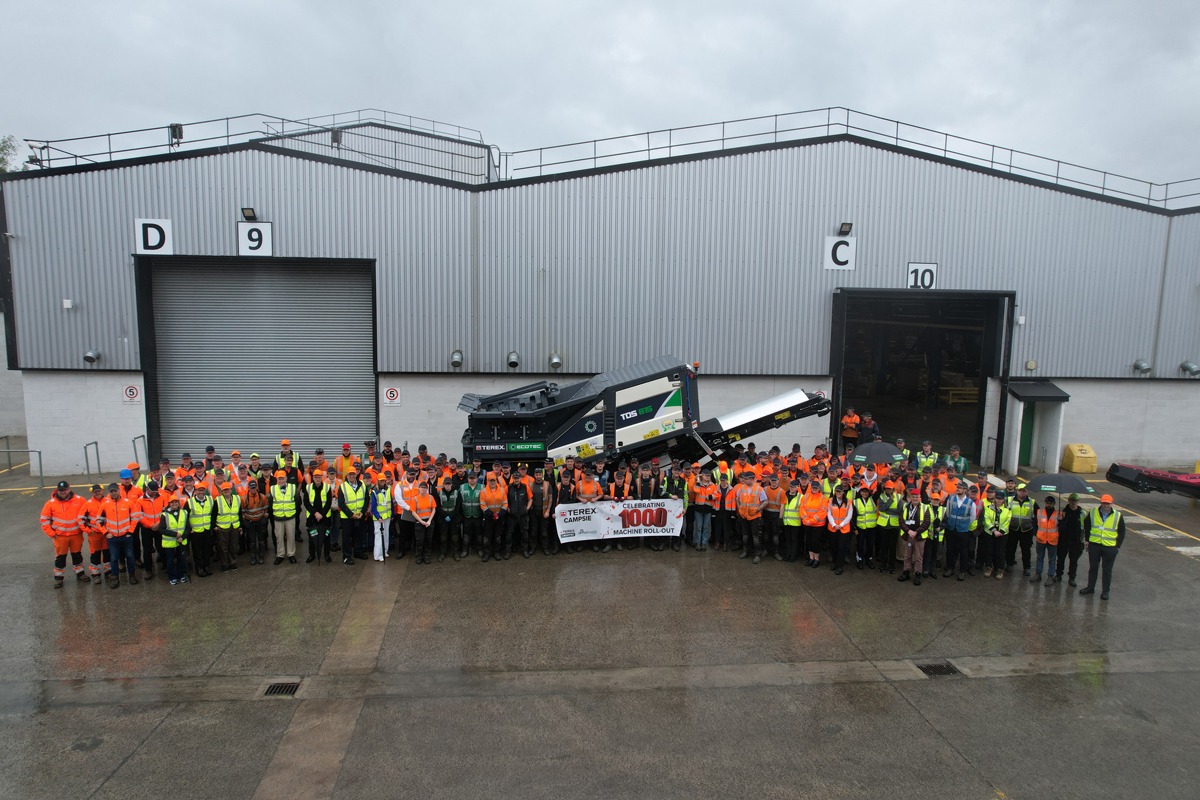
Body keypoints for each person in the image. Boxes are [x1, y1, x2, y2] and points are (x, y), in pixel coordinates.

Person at [1081, 494, 1125, 600]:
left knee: (1107, 570)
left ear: (1112, 504)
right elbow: (1086, 525)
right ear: (1100, 502)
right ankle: (1090, 587)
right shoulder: (1093, 512)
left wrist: (1117, 546)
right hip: (1094, 545)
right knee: (1093, 568)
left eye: (1108, 503)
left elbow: (1122, 531)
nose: (1106, 505)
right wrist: (1087, 539)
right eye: (1104, 503)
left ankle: (1105, 591)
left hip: (1109, 547)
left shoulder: (1117, 515)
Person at [101, 482, 140, 588]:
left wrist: (130, 531)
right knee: (113, 559)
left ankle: (132, 576)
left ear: (119, 491)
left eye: (115, 491)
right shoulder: (105, 504)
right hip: (112, 537)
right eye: (111, 491)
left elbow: (135, 517)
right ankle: (115, 579)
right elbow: (98, 520)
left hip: (126, 536)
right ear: (109, 493)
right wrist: (105, 532)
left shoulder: (128, 503)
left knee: (130, 556)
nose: (114, 493)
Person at [942, 480, 977, 580]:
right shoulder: (951, 499)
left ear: (965, 490)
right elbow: (948, 513)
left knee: (963, 551)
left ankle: (962, 571)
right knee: (950, 550)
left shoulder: (971, 503)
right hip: (951, 528)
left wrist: (963, 524)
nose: (958, 489)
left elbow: (972, 518)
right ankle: (950, 568)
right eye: (957, 487)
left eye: (960, 488)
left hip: (963, 530)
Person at [897, 487, 932, 585]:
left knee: (918, 557)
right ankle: (906, 572)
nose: (915, 499)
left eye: (917, 497)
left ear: (919, 497)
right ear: (911, 497)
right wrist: (908, 531)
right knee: (907, 555)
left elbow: (926, 523)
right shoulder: (905, 507)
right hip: (908, 536)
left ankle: (917, 574)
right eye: (913, 497)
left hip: (919, 537)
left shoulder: (925, 508)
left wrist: (916, 532)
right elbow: (901, 521)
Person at [268, 470, 299, 565]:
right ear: (277, 479)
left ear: (286, 478)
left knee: (291, 536)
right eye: (279, 479)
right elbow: (270, 503)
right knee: (279, 537)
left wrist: (294, 513)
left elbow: (297, 501)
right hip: (278, 517)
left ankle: (291, 554)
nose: (281, 480)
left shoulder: (293, 487)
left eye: (283, 478)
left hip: (290, 517)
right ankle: (280, 555)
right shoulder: (272, 488)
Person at [337, 469, 369, 564]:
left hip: (360, 515)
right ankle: (346, 556)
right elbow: (341, 503)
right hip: (347, 517)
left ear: (356, 474)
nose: (352, 476)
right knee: (347, 537)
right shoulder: (342, 486)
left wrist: (362, 512)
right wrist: (351, 515)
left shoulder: (362, 484)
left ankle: (358, 552)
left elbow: (366, 499)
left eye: (353, 474)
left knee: (359, 535)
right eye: (350, 474)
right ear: (347, 475)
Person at [735, 470, 767, 564]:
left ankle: (758, 555)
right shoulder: (742, 488)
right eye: (744, 478)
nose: (744, 480)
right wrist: (740, 508)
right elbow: (737, 498)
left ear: (752, 479)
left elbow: (765, 501)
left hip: (755, 517)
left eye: (746, 479)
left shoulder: (759, 489)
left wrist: (758, 509)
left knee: (756, 536)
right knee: (745, 535)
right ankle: (746, 551)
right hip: (744, 516)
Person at [80, 484, 110, 584]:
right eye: (95, 492)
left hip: (106, 533)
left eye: (99, 491)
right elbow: (80, 519)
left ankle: (108, 572)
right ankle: (96, 575)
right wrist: (88, 531)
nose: (97, 493)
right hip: (95, 534)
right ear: (92, 493)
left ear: (102, 491)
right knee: (95, 555)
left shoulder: (108, 501)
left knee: (107, 554)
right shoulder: (87, 504)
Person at [1006, 483, 1038, 576]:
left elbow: (1038, 515)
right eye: (1020, 490)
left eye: (1024, 490)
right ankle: (1009, 564)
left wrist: (1033, 525)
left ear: (1027, 491)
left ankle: (1026, 567)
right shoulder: (1009, 500)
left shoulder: (1032, 502)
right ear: (1017, 490)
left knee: (1026, 550)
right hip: (1013, 529)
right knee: (1011, 548)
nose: (1022, 492)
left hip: (1026, 530)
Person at [304, 469, 335, 564]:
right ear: (313, 478)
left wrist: (321, 514)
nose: (317, 479)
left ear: (322, 477)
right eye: (315, 477)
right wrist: (315, 513)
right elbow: (306, 502)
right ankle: (312, 555)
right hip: (312, 517)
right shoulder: (308, 488)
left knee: (326, 537)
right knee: (312, 537)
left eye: (319, 477)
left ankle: (326, 554)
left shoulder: (327, 487)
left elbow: (329, 502)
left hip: (325, 517)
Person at [1056, 493, 1086, 586]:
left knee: (1074, 561)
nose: (1073, 502)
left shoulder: (1082, 513)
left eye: (1075, 500)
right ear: (1068, 500)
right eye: (1071, 500)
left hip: (1075, 541)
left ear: (1078, 501)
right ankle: (1058, 575)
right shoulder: (1062, 511)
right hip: (1063, 539)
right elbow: (1058, 525)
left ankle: (1072, 578)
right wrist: (1060, 520)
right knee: (1060, 559)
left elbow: (1085, 527)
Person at [159, 496, 190, 585]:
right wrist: (174, 534)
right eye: (172, 502)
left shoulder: (184, 512)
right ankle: (172, 577)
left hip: (181, 541)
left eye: (176, 502)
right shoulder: (164, 515)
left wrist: (183, 537)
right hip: (169, 542)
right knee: (170, 560)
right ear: (169, 504)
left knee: (181, 559)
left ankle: (181, 575)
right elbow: (161, 529)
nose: (174, 504)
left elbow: (187, 527)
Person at [187, 483, 216, 577]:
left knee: (207, 550)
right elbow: (185, 517)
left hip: (207, 530)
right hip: (195, 531)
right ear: (195, 491)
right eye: (199, 490)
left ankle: (207, 566)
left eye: (202, 490)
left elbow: (213, 514)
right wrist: (189, 529)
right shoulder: (189, 502)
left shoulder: (210, 500)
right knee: (197, 551)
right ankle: (199, 568)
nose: (201, 492)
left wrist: (212, 526)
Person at [982, 494, 1012, 579]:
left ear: (1003, 500)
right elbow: (986, 519)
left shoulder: (1007, 509)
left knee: (1000, 552)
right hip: (990, 533)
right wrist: (993, 530)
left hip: (1002, 535)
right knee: (989, 551)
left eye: (1000, 499)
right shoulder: (988, 507)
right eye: (997, 498)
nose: (998, 500)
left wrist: (1001, 531)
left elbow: (1007, 521)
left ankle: (1000, 570)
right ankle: (988, 568)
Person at [214, 482, 242, 573]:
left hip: (234, 526)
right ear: (221, 491)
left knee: (233, 546)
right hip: (222, 527)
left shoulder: (237, 498)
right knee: (223, 547)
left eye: (228, 489)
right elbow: (214, 514)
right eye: (225, 490)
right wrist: (214, 526)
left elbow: (239, 513)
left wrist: (240, 526)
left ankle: (233, 563)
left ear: (231, 490)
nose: (227, 491)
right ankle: (224, 564)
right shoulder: (218, 500)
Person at [801, 478, 830, 567]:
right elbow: (802, 508)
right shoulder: (805, 496)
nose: (815, 489)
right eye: (813, 488)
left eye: (816, 488)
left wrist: (812, 520)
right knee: (809, 541)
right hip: (807, 524)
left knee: (816, 541)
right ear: (811, 488)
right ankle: (811, 558)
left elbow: (823, 511)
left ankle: (817, 559)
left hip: (818, 524)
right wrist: (806, 520)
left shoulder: (823, 498)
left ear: (819, 488)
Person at [480, 475, 508, 562]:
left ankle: (496, 552)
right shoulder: (484, 491)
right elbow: (483, 505)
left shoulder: (502, 491)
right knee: (487, 537)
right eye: (490, 481)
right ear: (488, 481)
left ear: (496, 481)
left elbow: (505, 504)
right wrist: (492, 514)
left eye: (494, 481)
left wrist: (499, 515)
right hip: (488, 518)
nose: (492, 482)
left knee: (497, 536)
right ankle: (487, 553)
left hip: (499, 518)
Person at [241, 478, 270, 565]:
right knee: (252, 541)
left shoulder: (262, 497)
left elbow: (266, 508)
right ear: (248, 488)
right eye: (251, 488)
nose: (253, 490)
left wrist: (265, 518)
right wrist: (244, 521)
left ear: (256, 488)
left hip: (260, 522)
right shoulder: (244, 499)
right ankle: (253, 556)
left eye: (254, 488)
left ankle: (261, 556)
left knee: (261, 540)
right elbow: (242, 511)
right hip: (250, 523)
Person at [875, 482, 901, 574]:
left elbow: (899, 510)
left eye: (890, 488)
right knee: (884, 545)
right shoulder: (882, 497)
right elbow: (881, 508)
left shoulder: (899, 497)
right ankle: (883, 564)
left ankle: (891, 565)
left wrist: (887, 510)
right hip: (884, 525)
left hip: (894, 525)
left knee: (892, 546)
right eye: (887, 488)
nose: (888, 490)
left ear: (893, 489)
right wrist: (890, 502)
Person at [827, 484, 854, 574]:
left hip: (844, 529)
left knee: (841, 548)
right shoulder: (830, 500)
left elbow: (849, 516)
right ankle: (834, 563)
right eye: (837, 491)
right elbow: (829, 513)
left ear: (843, 492)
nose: (838, 493)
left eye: (840, 491)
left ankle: (840, 566)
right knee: (833, 547)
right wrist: (834, 524)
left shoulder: (849, 502)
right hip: (833, 528)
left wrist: (841, 525)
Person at [1032, 495, 1059, 586]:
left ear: (1054, 504)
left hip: (1052, 541)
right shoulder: (1039, 512)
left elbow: (1062, 528)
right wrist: (1036, 533)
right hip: (1041, 539)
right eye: (1047, 503)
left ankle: (1050, 576)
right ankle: (1038, 574)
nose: (1049, 505)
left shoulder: (1058, 514)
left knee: (1052, 559)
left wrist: (1061, 520)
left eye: (1051, 503)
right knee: (1039, 557)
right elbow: (1035, 523)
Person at [410, 481, 437, 564]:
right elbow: (413, 512)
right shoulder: (415, 499)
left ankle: (427, 556)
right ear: (419, 488)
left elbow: (434, 509)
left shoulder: (430, 497)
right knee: (419, 541)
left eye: (425, 488)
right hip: (419, 523)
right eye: (422, 487)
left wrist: (429, 521)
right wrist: (421, 521)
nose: (423, 489)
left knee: (428, 540)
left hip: (429, 522)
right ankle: (419, 556)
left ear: (427, 489)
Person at [530, 466, 555, 555]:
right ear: (534, 475)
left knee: (544, 531)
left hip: (544, 512)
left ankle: (545, 548)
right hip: (534, 511)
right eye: (536, 474)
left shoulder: (547, 485)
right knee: (533, 531)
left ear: (542, 475)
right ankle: (533, 547)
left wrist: (548, 511)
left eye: (540, 474)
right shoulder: (531, 485)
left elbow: (550, 499)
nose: (538, 476)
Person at [436, 477, 462, 561]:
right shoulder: (439, 493)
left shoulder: (457, 493)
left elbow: (458, 507)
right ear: (443, 485)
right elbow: (438, 507)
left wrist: (451, 516)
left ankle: (455, 553)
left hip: (454, 518)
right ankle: (443, 553)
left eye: (449, 484)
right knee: (443, 537)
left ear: (451, 484)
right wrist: (444, 516)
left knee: (455, 536)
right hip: (443, 519)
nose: (447, 485)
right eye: (446, 484)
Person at [852, 484, 877, 569]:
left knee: (870, 544)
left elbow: (879, 492)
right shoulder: (856, 501)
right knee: (860, 544)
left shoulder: (873, 499)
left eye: (866, 491)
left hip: (871, 527)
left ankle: (869, 559)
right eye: (863, 491)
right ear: (860, 492)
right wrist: (854, 528)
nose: (865, 493)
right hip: (860, 527)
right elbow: (853, 516)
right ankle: (859, 559)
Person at [691, 470, 717, 551]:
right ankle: (698, 543)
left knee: (705, 528)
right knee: (698, 527)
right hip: (698, 509)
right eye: (706, 475)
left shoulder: (713, 485)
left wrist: (709, 497)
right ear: (702, 476)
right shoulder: (698, 485)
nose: (707, 477)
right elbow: (696, 490)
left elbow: (716, 495)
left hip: (708, 510)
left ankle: (704, 543)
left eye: (708, 475)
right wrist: (698, 482)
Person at [762, 472, 786, 561]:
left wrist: (780, 518)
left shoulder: (781, 491)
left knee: (775, 536)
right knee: (766, 535)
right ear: (769, 480)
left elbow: (782, 505)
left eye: (775, 481)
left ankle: (776, 552)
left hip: (776, 516)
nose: (774, 482)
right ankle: (766, 550)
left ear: (778, 481)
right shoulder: (765, 490)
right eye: (772, 480)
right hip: (766, 514)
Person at [460, 471, 483, 558]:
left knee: (479, 534)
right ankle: (465, 550)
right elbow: (459, 502)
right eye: (470, 478)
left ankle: (480, 549)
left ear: (477, 479)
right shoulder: (462, 488)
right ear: (468, 479)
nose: (472, 480)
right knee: (466, 534)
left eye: (474, 478)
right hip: (466, 516)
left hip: (478, 515)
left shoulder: (482, 487)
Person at [370, 475, 393, 562]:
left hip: (387, 516)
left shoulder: (388, 489)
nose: (383, 482)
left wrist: (392, 515)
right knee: (379, 536)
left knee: (386, 534)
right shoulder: (374, 491)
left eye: (384, 480)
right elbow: (373, 507)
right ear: (378, 481)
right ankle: (378, 555)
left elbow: (390, 502)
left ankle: (385, 552)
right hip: (379, 518)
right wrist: (378, 517)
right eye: (381, 480)